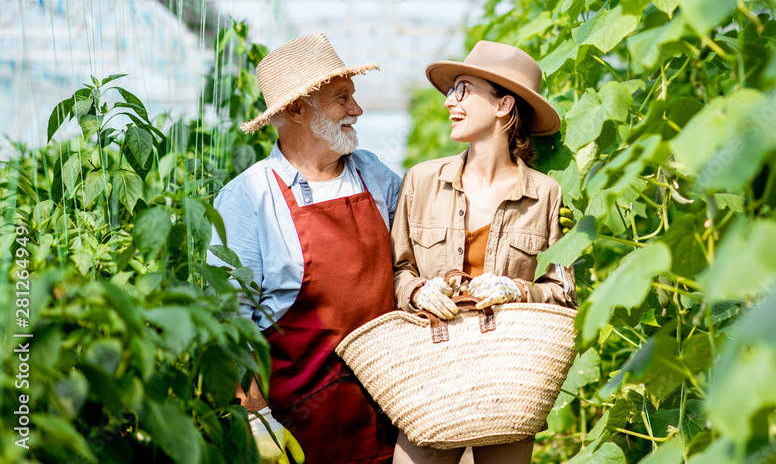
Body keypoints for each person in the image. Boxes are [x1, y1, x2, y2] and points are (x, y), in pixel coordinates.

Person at [208, 33, 401, 464]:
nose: (357, 110)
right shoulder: (248, 199)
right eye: (342, 98)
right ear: (296, 109)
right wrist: (256, 425)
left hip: (392, 425)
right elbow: (228, 325)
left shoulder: (374, 175)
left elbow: (413, 257)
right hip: (299, 437)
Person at [391, 40, 577, 464]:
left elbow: (564, 292)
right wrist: (418, 292)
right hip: (431, 374)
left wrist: (517, 290)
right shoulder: (421, 182)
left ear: (503, 105)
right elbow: (396, 270)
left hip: (508, 380)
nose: (449, 103)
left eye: (463, 89)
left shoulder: (546, 194)